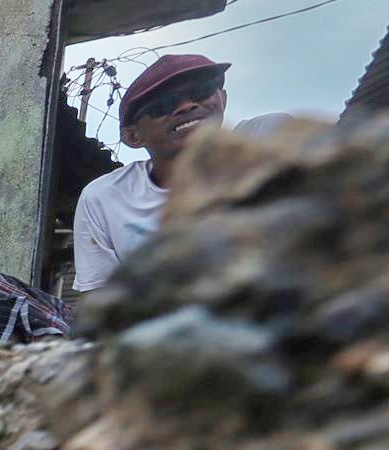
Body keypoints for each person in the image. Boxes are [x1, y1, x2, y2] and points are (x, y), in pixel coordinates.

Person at [73, 54, 295, 293]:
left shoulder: (266, 138)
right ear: (133, 135)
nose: (187, 106)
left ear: (222, 98)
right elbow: (101, 299)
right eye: (164, 104)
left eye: (202, 90)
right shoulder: (105, 198)